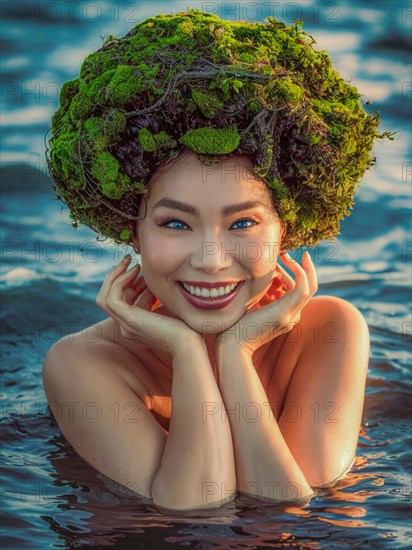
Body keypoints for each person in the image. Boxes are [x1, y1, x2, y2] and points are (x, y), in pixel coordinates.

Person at [42, 9, 387, 512]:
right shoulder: (79, 364)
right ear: (130, 229)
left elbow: (289, 513)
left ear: (285, 228)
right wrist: (185, 349)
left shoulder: (331, 329)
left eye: (243, 223)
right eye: (175, 223)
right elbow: (193, 512)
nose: (210, 260)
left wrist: (236, 351)